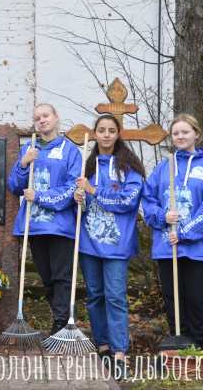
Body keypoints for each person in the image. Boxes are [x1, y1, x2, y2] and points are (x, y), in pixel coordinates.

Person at [142, 113, 203, 349]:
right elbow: (148, 199)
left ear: (196, 134)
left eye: (185, 132)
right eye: (176, 133)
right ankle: (177, 342)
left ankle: (196, 345)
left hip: (197, 247)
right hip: (168, 245)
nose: (180, 136)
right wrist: (162, 216)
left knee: (196, 298)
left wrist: (185, 232)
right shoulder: (163, 167)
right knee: (172, 297)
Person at [74, 114, 144, 376]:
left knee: (115, 297)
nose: (105, 134)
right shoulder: (86, 166)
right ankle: (102, 345)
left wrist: (94, 192)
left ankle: (119, 352)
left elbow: (128, 201)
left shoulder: (129, 167)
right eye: (101, 130)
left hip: (117, 244)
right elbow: (80, 207)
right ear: (95, 134)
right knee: (94, 296)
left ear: (118, 134)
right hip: (89, 243)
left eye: (111, 130)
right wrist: (78, 197)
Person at [7, 103, 82, 334]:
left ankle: (61, 322)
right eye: (37, 117)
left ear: (56, 117)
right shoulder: (28, 148)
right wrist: (23, 164)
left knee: (62, 276)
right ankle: (58, 316)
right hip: (35, 225)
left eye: (46, 115)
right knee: (47, 278)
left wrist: (39, 196)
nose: (42, 120)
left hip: (60, 227)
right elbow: (14, 186)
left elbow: (72, 188)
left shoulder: (70, 151)